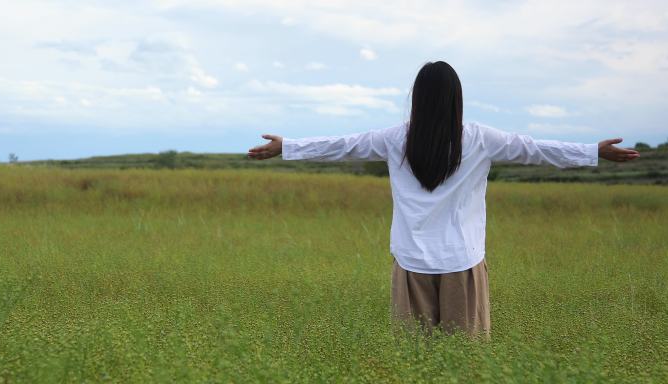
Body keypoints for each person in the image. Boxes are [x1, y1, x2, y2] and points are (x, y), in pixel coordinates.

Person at [246, 61, 640, 339]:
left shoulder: (394, 138)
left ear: (417, 98)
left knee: (416, 363)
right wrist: (592, 152)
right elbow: (536, 150)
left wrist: (289, 147)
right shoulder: (481, 138)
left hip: (411, 266)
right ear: (456, 99)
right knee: (464, 365)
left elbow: (341, 145)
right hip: (462, 265)